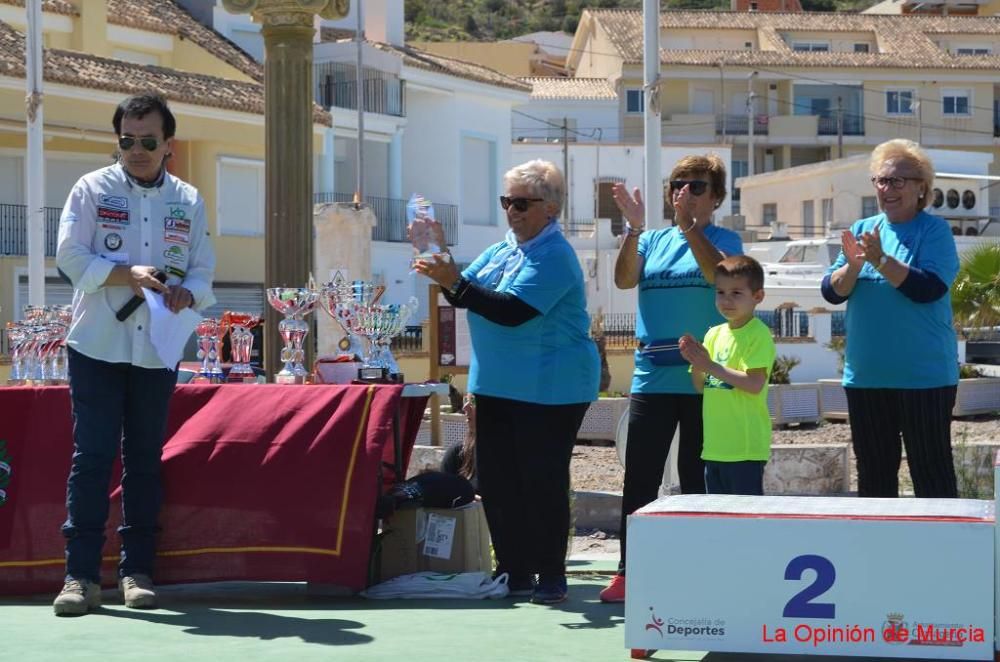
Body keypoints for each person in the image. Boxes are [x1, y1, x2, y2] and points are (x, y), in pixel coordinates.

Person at [53, 94, 216, 615]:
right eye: (128, 140)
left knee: (145, 460)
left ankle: (137, 571)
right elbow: (69, 256)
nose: (138, 150)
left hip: (157, 346)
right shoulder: (91, 188)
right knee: (93, 459)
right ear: (118, 140)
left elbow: (203, 269)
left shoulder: (188, 199)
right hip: (97, 343)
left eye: (149, 141)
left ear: (168, 144)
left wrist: (188, 292)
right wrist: (129, 275)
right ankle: (79, 578)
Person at [414, 159, 599, 605]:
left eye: (521, 203)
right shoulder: (503, 249)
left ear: (550, 209)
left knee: (542, 480)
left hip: (552, 388)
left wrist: (452, 280)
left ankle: (551, 576)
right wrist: (442, 258)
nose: (511, 211)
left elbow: (509, 312)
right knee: (496, 481)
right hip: (496, 383)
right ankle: (514, 572)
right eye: (506, 202)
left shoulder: (555, 255)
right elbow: (465, 290)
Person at [600, 154, 742, 603]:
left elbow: (719, 276)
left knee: (696, 477)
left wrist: (689, 227)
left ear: (716, 197)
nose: (685, 192)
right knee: (639, 478)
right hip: (652, 378)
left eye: (697, 186)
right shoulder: (652, 240)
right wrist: (635, 229)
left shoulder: (724, 239)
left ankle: (697, 571)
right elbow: (624, 280)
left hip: (705, 381)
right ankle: (629, 571)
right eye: (679, 184)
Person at [821, 139, 959, 498]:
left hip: (924, 379)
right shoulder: (864, 227)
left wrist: (880, 260)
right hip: (867, 378)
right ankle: (878, 553)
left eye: (898, 181)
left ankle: (940, 553)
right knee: (875, 480)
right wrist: (852, 266)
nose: (887, 189)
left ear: (921, 187)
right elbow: (833, 291)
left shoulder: (934, 232)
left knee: (932, 477)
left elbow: (927, 289)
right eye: (881, 180)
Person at [679, 256, 775, 495]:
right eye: (720, 292)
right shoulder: (714, 334)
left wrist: (708, 365)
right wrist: (696, 361)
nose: (726, 300)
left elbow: (754, 384)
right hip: (714, 449)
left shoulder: (758, 334)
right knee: (719, 522)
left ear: (758, 297)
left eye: (736, 293)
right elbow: (701, 386)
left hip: (744, 450)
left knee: (744, 524)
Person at [440, 393, 478, 492]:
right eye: (466, 400)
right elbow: (443, 493)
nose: (465, 407)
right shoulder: (458, 453)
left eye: (473, 401)